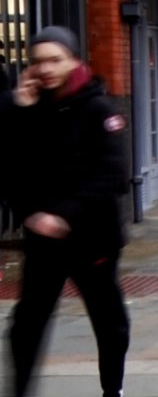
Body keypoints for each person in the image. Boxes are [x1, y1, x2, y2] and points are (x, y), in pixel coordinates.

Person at [2, 26, 130, 397]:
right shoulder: (27, 108)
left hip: (93, 239)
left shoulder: (99, 109)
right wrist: (16, 109)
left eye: (55, 59)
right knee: (26, 323)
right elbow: (9, 169)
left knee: (109, 323)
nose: (46, 68)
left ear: (74, 61)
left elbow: (114, 175)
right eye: (38, 61)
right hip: (45, 242)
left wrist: (64, 215)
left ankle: (113, 390)